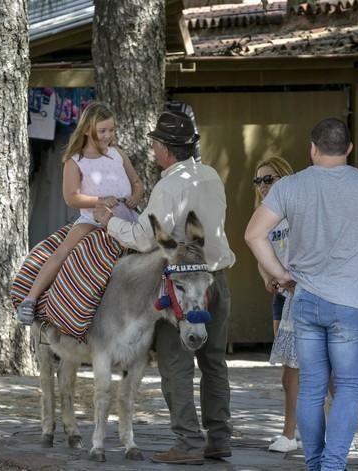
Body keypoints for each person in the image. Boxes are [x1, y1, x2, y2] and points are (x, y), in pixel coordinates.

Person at [245, 118, 358, 470]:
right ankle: (331, 466)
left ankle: (316, 464)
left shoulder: (291, 186)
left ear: (313, 148)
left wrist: (281, 275)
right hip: (352, 304)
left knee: (311, 388)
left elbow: (254, 235)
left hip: (306, 301)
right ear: (349, 149)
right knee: (347, 391)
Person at [94, 111, 236, 465]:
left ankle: (188, 444)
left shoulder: (169, 185)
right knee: (214, 362)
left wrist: (109, 222)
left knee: (176, 364)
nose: (154, 149)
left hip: (184, 283)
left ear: (166, 150)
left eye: (156, 144)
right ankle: (219, 439)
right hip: (217, 279)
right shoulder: (211, 175)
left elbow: (144, 240)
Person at [16, 102, 143, 324]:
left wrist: (137, 193)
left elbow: (136, 181)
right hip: (94, 218)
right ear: (86, 130)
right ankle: (31, 299)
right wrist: (99, 200)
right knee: (63, 250)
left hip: (127, 216)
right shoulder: (75, 161)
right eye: (102, 131)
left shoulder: (118, 153)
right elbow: (71, 197)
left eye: (111, 130)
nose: (107, 136)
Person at [251, 156, 301, 453]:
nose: (262, 186)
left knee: (312, 369)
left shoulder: (299, 209)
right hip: (282, 298)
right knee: (290, 369)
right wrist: (267, 276)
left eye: (269, 179)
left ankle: (323, 431)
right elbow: (261, 255)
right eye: (258, 181)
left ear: (285, 177)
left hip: (305, 293)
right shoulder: (263, 214)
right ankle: (293, 432)